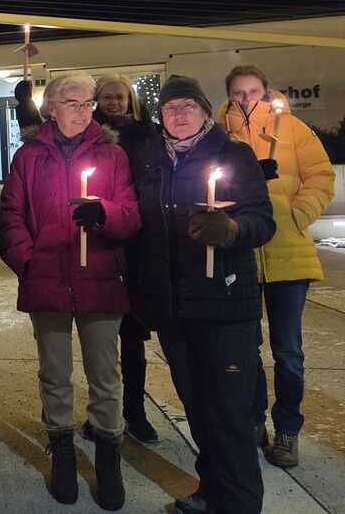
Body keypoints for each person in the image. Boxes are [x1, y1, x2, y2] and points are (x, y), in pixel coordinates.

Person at [132, 75, 276, 514]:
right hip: (175, 307)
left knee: (228, 413)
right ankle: (213, 490)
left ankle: (240, 503)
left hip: (224, 305)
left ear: (205, 112)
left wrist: (231, 229)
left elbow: (262, 220)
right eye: (170, 108)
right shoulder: (152, 159)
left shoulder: (233, 155)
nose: (178, 115)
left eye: (187, 106)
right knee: (196, 407)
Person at [0, 73, 140, 511]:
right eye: (72, 103)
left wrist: (105, 214)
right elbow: (11, 215)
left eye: (87, 103)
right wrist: (27, 261)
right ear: (52, 109)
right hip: (48, 277)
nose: (82, 111)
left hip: (99, 278)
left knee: (105, 374)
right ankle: (61, 451)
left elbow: (131, 215)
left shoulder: (112, 154)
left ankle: (108, 456)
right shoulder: (28, 156)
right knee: (55, 373)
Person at [219, 65, 335, 468]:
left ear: (265, 92)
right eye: (239, 92)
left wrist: (297, 215)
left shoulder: (293, 129)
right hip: (243, 253)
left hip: (289, 252)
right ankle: (253, 419)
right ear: (229, 95)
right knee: (245, 346)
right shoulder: (221, 135)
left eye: (253, 91)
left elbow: (320, 177)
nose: (246, 99)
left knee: (288, 352)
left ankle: (288, 428)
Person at [90, 74, 160, 445]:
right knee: (99, 340)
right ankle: (103, 412)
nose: (114, 102)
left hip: (138, 244)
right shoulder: (90, 136)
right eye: (107, 97)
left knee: (132, 337)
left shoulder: (148, 134)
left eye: (120, 96)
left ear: (130, 99)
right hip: (101, 239)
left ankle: (134, 409)